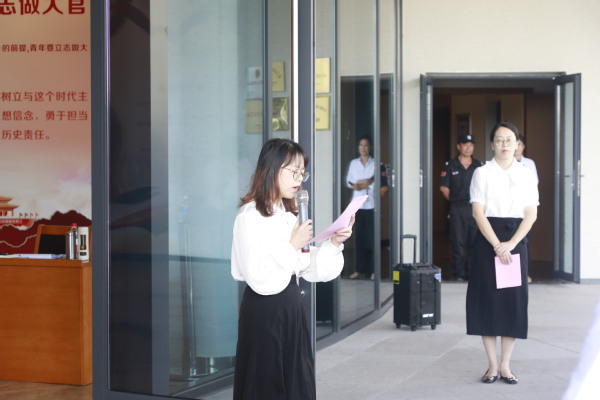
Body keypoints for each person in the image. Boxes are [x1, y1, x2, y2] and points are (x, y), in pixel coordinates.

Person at [231, 138, 354, 400]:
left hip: (290, 305)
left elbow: (309, 268)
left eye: (302, 173)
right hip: (264, 310)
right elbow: (257, 275)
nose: (299, 179)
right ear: (272, 169)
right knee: (266, 383)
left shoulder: (288, 216)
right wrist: (292, 245)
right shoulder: (249, 216)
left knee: (296, 381)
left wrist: (334, 243)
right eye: (294, 172)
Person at [467, 122, 539, 385]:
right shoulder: (482, 173)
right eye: (499, 140)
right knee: (487, 302)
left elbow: (531, 213)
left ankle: (506, 366)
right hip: (488, 240)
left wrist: (510, 243)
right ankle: (492, 366)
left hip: (515, 241)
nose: (505, 144)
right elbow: (478, 213)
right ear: (492, 144)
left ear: (517, 143)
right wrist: (498, 244)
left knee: (512, 304)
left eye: (509, 139)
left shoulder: (526, 173)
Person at [439, 134, 483, 281]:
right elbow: (444, 188)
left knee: (474, 242)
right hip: (457, 208)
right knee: (458, 242)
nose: (468, 148)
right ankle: (458, 274)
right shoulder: (450, 165)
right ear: (458, 146)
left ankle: (472, 274)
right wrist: (455, 200)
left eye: (471, 145)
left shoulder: (479, 166)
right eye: (465, 144)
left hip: (475, 208)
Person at [345, 135, 388, 279]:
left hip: (372, 205)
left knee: (373, 239)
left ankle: (374, 270)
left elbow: (377, 184)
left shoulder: (376, 164)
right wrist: (364, 182)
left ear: (370, 147)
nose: (363, 148)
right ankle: (359, 269)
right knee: (359, 239)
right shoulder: (353, 164)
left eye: (366, 145)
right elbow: (350, 183)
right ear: (358, 147)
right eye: (361, 145)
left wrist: (360, 183)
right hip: (357, 206)